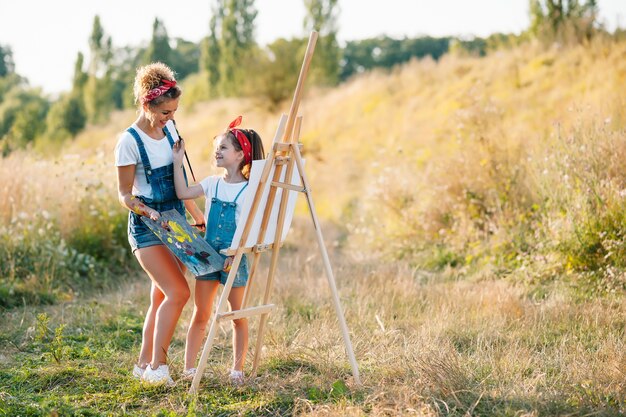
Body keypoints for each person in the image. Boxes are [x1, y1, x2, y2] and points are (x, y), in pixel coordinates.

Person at [115, 62, 205, 385]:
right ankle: (158, 368)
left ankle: (143, 365)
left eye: (174, 111)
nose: (171, 118)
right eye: (165, 112)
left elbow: (181, 179)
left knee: (160, 297)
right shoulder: (128, 141)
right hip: (146, 225)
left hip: (175, 221)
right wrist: (145, 210)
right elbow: (124, 194)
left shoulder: (171, 131)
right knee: (178, 293)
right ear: (146, 103)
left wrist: (196, 215)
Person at [171, 115, 265, 385]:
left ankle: (237, 370)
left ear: (239, 155)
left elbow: (252, 228)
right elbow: (182, 193)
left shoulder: (250, 190)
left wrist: (237, 253)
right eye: (217, 147)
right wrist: (178, 164)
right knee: (201, 313)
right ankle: (190, 369)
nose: (217, 151)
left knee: (237, 315)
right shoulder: (212, 183)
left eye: (224, 147)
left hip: (234, 258)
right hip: (207, 257)